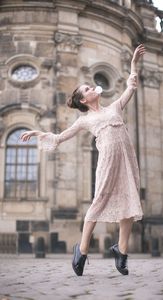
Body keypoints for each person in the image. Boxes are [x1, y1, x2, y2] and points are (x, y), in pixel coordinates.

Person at [20, 44, 145, 276]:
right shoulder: (84, 120)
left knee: (130, 203)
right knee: (98, 203)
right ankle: (83, 249)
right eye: (87, 88)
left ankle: (122, 252)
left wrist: (133, 64)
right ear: (84, 99)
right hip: (108, 163)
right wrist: (38, 133)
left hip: (127, 160)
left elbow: (130, 86)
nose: (92, 88)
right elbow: (59, 137)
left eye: (90, 86)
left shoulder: (115, 107)